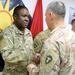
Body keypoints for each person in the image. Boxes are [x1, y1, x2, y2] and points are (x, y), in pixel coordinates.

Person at [27, 1, 75, 75]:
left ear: (50, 15)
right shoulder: (72, 35)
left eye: (45, 16)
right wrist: (43, 56)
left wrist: (31, 67)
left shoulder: (52, 42)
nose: (45, 19)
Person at [0, 5, 34, 75]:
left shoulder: (28, 32)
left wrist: (35, 55)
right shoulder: (7, 33)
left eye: (27, 16)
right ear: (15, 17)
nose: (27, 19)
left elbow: (31, 50)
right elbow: (7, 56)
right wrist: (27, 55)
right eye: (24, 16)